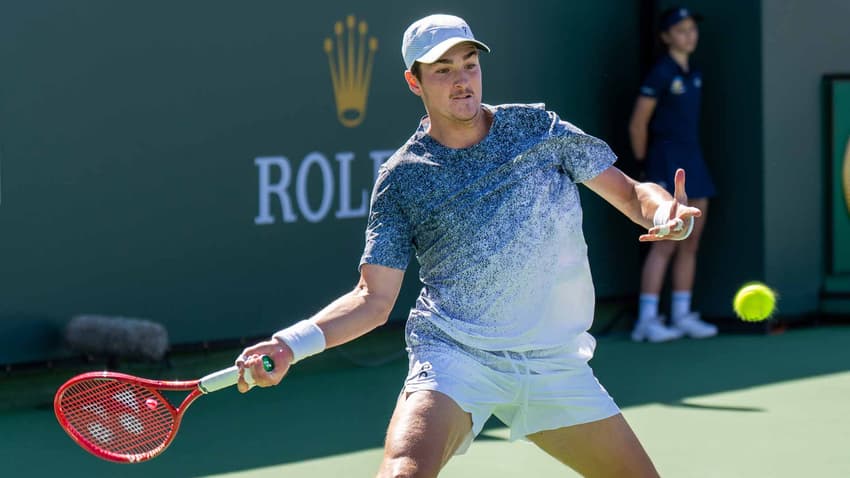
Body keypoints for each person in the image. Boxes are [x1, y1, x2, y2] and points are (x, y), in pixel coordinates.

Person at [236, 13, 701, 477]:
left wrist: (665, 213)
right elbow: (372, 299)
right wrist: (289, 345)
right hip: (456, 355)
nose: (462, 82)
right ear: (413, 82)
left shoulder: (538, 129)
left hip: (552, 362)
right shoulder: (404, 178)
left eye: (469, 64)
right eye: (442, 70)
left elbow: (632, 193)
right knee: (404, 471)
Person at [629, 7, 718, 343]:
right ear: (666, 37)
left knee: (690, 241)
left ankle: (681, 315)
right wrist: (644, 167)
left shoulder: (694, 72)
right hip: (665, 163)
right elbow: (638, 123)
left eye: (692, 29)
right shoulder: (661, 73)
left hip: (694, 160)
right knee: (665, 244)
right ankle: (647, 320)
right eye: (681, 30)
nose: (689, 35)